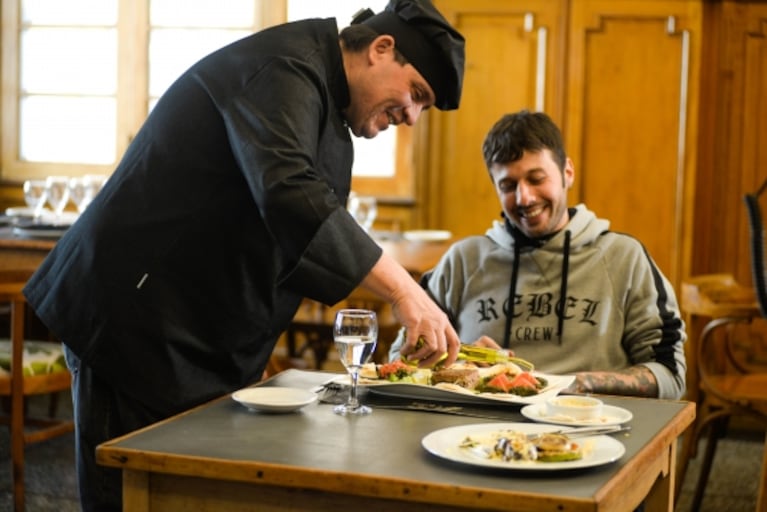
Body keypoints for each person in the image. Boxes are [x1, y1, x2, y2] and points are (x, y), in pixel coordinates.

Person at [23, 1, 464, 510]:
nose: (410, 116)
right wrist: (404, 290)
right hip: (133, 319)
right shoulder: (283, 67)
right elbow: (289, 195)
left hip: (196, 332)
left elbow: (289, 241)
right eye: (416, 95)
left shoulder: (331, 108)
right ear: (381, 49)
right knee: (131, 495)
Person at [390, 110, 687, 399]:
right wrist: (464, 362)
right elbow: (400, 360)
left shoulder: (625, 257)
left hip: (587, 428)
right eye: (508, 185)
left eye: (536, 178)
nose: (525, 198)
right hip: (477, 434)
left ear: (567, 173)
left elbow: (670, 374)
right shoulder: (463, 261)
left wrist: (565, 384)